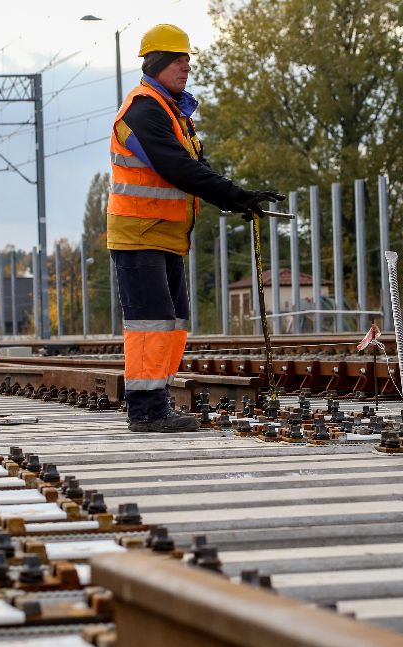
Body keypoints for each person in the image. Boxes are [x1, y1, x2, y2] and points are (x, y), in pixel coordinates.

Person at [107, 23, 282, 432]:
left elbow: (195, 167)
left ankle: (156, 399)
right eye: (177, 59)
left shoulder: (172, 111)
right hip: (138, 234)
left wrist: (236, 198)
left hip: (164, 235)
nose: (185, 66)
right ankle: (146, 410)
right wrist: (233, 192)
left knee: (172, 322)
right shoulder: (143, 109)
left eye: (187, 59)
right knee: (151, 322)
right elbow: (175, 167)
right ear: (156, 62)